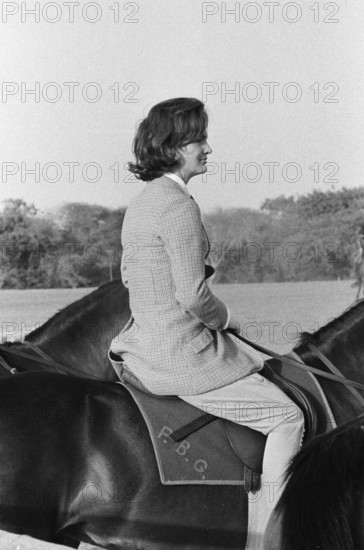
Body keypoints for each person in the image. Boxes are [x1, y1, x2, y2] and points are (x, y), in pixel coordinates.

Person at [109, 97, 304, 549]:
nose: (208, 149)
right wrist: (231, 321)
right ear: (175, 147)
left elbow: (129, 278)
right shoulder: (178, 206)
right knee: (287, 418)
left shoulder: (142, 202)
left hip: (141, 346)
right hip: (180, 354)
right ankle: (267, 538)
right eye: (199, 140)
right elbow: (193, 295)